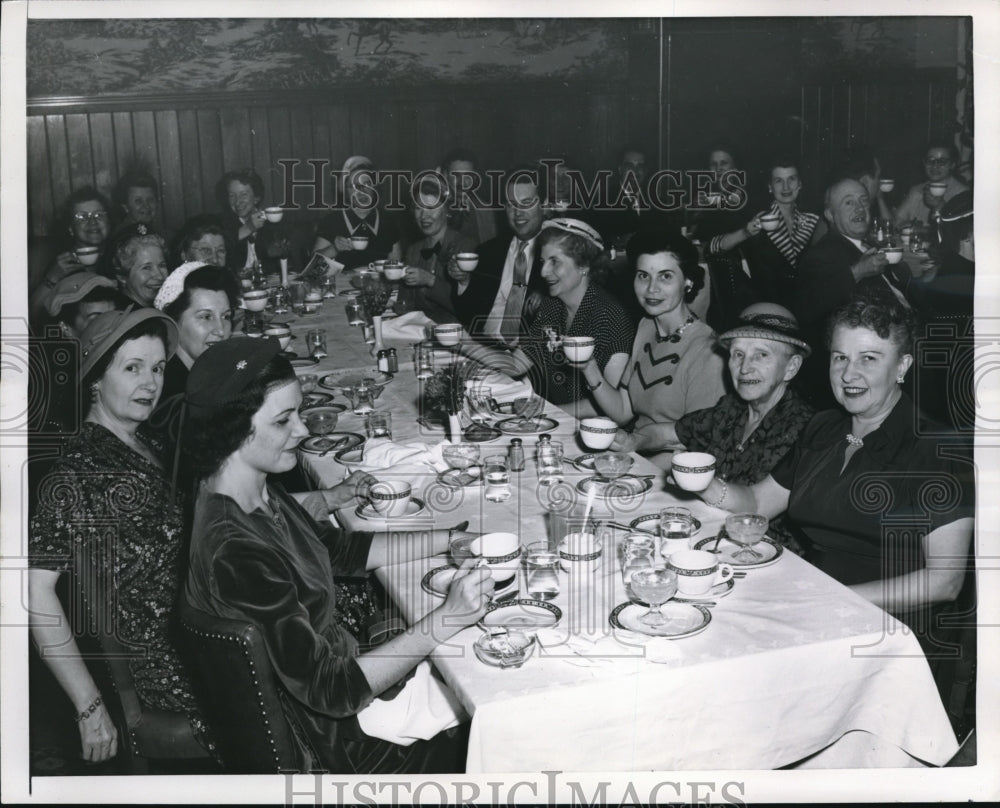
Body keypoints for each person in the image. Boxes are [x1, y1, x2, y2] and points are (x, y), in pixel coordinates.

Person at [182, 338, 492, 773]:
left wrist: (449, 539)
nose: (303, 431)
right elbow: (332, 691)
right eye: (283, 420)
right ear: (234, 429)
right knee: (498, 714)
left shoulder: (251, 492)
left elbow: (337, 551)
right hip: (343, 743)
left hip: (348, 685)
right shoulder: (235, 550)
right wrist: (446, 619)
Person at [692, 294, 973, 645]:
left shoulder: (934, 448)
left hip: (887, 628)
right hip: (811, 601)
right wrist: (701, 481)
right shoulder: (824, 427)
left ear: (902, 367)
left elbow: (944, 582)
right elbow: (757, 504)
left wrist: (833, 595)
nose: (849, 373)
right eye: (840, 357)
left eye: (868, 359)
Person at [28, 308, 212, 764]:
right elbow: (33, 593)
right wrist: (89, 706)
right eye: (132, 368)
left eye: (157, 368)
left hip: (204, 617)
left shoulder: (150, 442)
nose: (150, 383)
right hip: (175, 659)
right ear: (94, 378)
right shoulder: (77, 469)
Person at [654, 303, 815, 551]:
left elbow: (757, 506)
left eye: (761, 355)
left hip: (766, 553)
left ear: (791, 367)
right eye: (738, 354)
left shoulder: (806, 428)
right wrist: (630, 442)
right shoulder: (732, 407)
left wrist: (701, 482)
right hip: (712, 534)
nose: (744, 368)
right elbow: (673, 433)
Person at [461, 218, 634, 416]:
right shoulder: (552, 306)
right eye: (543, 262)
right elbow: (517, 364)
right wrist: (466, 344)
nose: (543, 272)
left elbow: (613, 406)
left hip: (601, 431)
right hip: (562, 418)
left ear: (583, 265)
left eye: (555, 262)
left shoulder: (611, 317)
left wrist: (548, 412)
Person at [606, 230, 727, 462]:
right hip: (637, 452)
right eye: (643, 276)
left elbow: (699, 444)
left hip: (676, 470)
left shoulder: (708, 350)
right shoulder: (646, 326)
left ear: (688, 282)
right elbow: (622, 410)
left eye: (665, 276)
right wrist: (587, 367)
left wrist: (632, 467)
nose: (651, 289)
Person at [450, 163, 551, 343]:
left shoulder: (557, 255)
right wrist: (464, 281)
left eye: (526, 203)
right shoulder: (489, 251)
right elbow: (467, 315)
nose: (518, 213)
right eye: (511, 204)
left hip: (527, 357)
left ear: (544, 206)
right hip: (483, 350)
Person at [719, 157, 822, 309]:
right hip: (767, 310)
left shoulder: (813, 221)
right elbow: (714, 247)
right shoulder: (757, 220)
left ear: (800, 184)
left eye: (791, 179)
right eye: (778, 181)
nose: (786, 187)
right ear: (770, 187)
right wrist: (745, 233)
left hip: (806, 307)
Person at [686, 143, 758, 332]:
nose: (718, 169)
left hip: (741, 273)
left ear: (736, 167)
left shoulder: (746, 197)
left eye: (724, 163)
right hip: (713, 272)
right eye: (713, 164)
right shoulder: (710, 197)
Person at [153, 262, 238, 402]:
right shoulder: (172, 396)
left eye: (226, 317)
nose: (221, 330)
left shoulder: (206, 370)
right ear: (173, 321)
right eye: (206, 317)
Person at [396, 174, 475, 322]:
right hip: (420, 332)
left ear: (448, 211)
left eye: (432, 208)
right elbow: (404, 303)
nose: (424, 216)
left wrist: (430, 280)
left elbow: (469, 307)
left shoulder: (466, 247)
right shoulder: (414, 250)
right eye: (419, 208)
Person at [312, 156, 403, 270]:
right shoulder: (332, 221)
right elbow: (312, 267)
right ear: (345, 191)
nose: (361, 192)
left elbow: (396, 266)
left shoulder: (388, 221)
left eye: (367, 184)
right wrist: (334, 249)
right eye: (354, 186)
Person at [30, 187, 113, 300]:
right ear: (70, 228)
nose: (93, 222)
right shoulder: (58, 263)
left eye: (99, 215)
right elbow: (32, 311)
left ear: (108, 222)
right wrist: (52, 278)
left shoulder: (117, 254)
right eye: (82, 217)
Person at [893, 141, 970, 229]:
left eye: (942, 161)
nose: (935, 165)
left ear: (952, 165)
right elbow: (896, 222)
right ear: (924, 163)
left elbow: (961, 231)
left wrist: (941, 206)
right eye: (930, 160)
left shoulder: (963, 193)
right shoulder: (916, 190)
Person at [439, 147, 499, 246]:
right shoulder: (435, 209)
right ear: (445, 175)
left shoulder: (485, 211)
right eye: (456, 176)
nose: (462, 182)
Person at [108, 224, 170, 308]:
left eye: (162, 265)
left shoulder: (164, 309)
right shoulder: (123, 317)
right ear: (122, 277)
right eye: (147, 268)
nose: (159, 276)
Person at [112, 170, 163, 235]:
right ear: (126, 207)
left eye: (150, 200)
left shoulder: (157, 232)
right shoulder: (123, 235)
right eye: (138, 201)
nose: (146, 206)